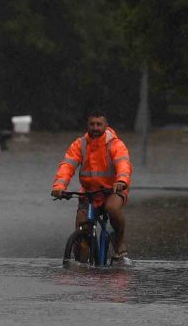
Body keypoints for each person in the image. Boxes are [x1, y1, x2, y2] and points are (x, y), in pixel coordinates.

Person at [51, 110, 133, 263]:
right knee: (81, 232)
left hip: (112, 190)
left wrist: (122, 181)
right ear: (87, 125)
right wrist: (59, 186)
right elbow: (67, 165)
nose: (95, 127)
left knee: (112, 209)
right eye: (92, 124)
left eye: (99, 124)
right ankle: (80, 269)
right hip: (89, 193)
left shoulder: (116, 144)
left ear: (106, 125)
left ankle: (120, 242)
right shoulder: (80, 144)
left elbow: (123, 164)